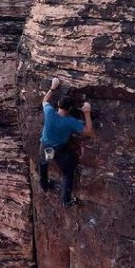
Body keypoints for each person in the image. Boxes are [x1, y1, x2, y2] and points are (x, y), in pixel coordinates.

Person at [39, 77, 94, 207]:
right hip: (59, 151)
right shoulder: (70, 122)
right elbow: (89, 132)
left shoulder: (49, 112)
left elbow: (45, 101)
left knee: (43, 165)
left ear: (58, 105)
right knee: (68, 173)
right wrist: (87, 113)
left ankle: (44, 186)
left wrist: (53, 88)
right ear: (69, 109)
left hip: (45, 146)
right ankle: (66, 200)